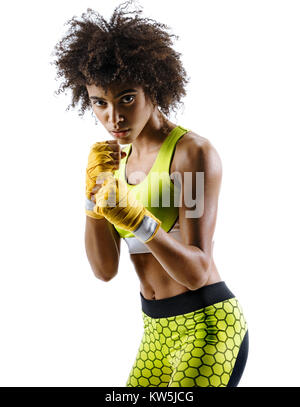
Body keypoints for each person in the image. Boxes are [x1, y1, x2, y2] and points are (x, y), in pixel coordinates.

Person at [52, 0, 249, 387]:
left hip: (207, 329)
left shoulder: (191, 154)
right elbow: (104, 271)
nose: (114, 118)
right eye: (100, 103)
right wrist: (93, 202)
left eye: (127, 98)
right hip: (155, 332)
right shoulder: (113, 161)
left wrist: (138, 221)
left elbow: (196, 272)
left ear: (153, 87)